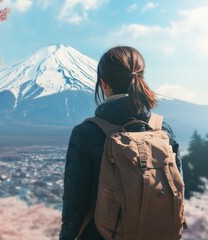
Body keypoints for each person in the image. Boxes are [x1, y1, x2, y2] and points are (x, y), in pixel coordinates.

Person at [59, 46, 183, 240]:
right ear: (140, 78)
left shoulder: (87, 132)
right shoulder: (163, 130)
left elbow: (75, 203)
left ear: (103, 84)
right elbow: (178, 185)